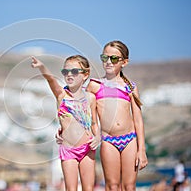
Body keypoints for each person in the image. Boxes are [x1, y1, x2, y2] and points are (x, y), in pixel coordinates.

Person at [56, 40, 148, 190]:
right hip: (108, 140)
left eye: (114, 58)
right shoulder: (94, 85)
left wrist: (141, 150)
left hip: (130, 139)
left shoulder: (130, 87)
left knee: (129, 186)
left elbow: (138, 120)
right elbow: (75, 105)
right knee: (112, 185)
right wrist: (62, 130)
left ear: (124, 62)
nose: (108, 62)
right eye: (105, 58)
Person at [31, 55, 101, 191]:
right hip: (68, 150)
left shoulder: (91, 98)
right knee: (71, 188)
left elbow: (94, 123)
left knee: (89, 188)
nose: (69, 74)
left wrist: (98, 137)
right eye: (65, 71)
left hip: (87, 149)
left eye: (74, 71)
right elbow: (50, 79)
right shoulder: (61, 95)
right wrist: (41, 67)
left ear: (85, 74)